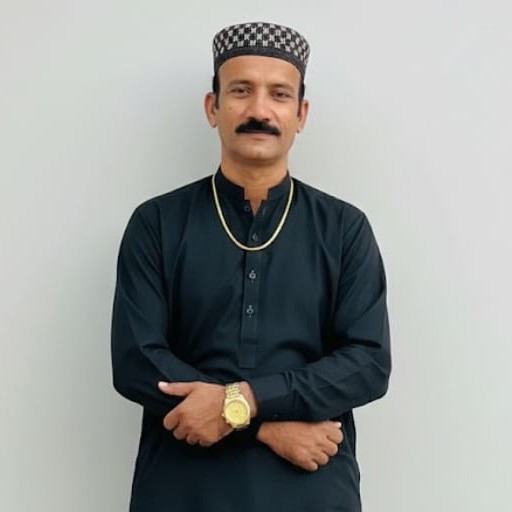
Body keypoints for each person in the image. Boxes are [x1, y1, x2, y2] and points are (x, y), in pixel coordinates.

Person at [111, 21, 391, 512]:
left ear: (301, 114)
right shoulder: (156, 223)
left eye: (279, 94)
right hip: (182, 490)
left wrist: (243, 403)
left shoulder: (344, 229)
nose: (259, 111)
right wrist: (260, 424)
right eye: (241, 91)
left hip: (312, 490)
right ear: (212, 107)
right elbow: (137, 361)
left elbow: (367, 364)